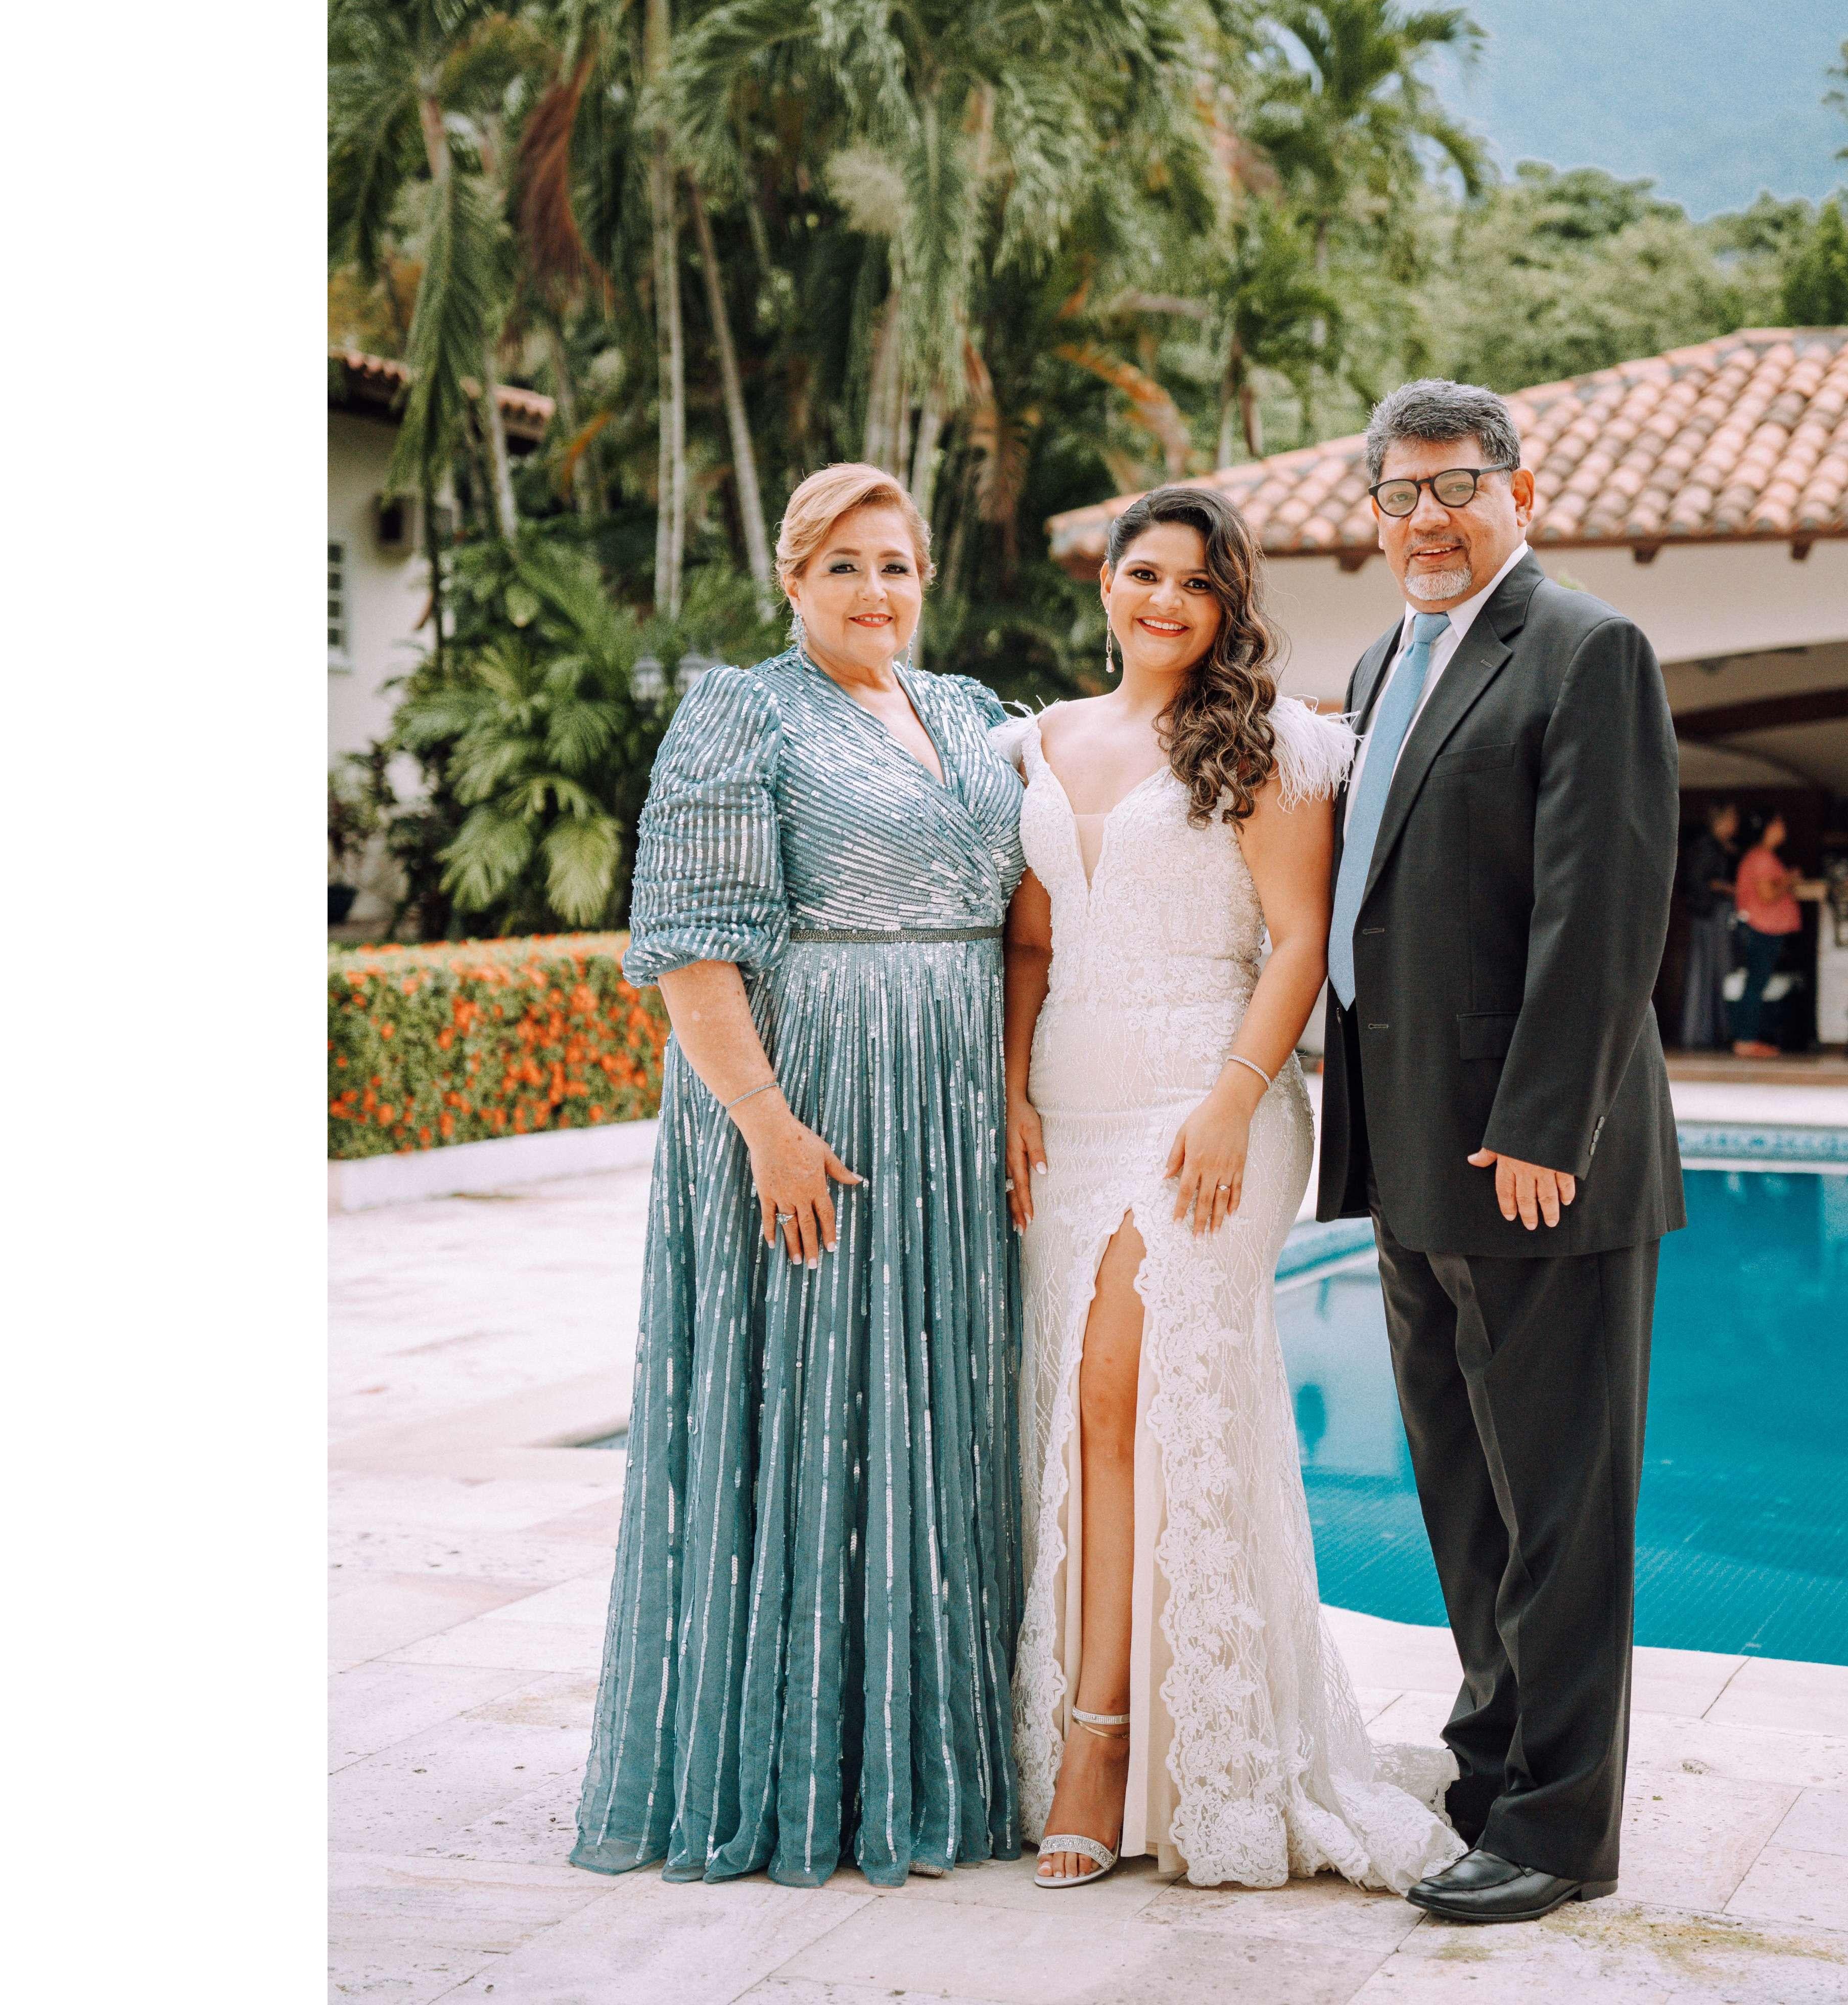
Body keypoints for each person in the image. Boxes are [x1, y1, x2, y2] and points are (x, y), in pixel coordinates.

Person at [995, 484, 1463, 1895]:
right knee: (1079, 1411)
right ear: (1106, 583)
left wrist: (1231, 1099)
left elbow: (1299, 939)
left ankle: (1106, 1746)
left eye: (1198, 585)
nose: (1167, 602)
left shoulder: (1265, 744)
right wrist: (1009, 1090)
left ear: (1227, 605)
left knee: (1123, 1397)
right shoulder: (1039, 740)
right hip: (1071, 1116)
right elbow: (1030, 944)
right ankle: (1131, 1727)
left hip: (1212, 1110)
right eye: (1146, 574)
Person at [569, 463, 1028, 1890]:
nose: (874, 591)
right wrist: (766, 1125)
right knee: (822, 1414)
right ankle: (801, 1776)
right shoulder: (742, 713)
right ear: (791, 578)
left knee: (939, 1415)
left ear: (925, 575)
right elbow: (691, 945)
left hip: (955, 1115)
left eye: (895, 564)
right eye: (843, 565)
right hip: (814, 1107)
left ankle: (935, 1756)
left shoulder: (974, 714)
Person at [1316, 379, 1684, 1927]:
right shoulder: (1376, 662)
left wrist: (1544, 1125)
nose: (1428, 518)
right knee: (1468, 1494)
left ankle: (1559, 1829)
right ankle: (1489, 1768)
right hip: (1408, 1154)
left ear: (1519, 494)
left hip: (1534, 1159)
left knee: (1562, 1508)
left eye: (1457, 485)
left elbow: (1604, 905)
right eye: (1400, 493)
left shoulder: (1587, 649)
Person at [1730, 811, 1803, 1059]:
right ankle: (1746, 1041)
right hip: (1761, 928)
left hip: (1765, 928)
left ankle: (1747, 1039)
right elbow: (1767, 895)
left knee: (1756, 984)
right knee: (1755, 984)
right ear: (1768, 828)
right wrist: (1790, 880)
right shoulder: (1761, 857)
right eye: (1779, 823)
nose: (1783, 828)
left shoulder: (1762, 856)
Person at [1676, 802, 1741, 1052]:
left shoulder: (1722, 847)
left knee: (1718, 972)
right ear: (1721, 821)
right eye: (1732, 819)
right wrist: (1728, 888)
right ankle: (1699, 1033)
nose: (1735, 824)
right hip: (1708, 915)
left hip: (1716, 915)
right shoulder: (1706, 846)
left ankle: (1716, 1031)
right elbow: (1699, 881)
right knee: (1705, 972)